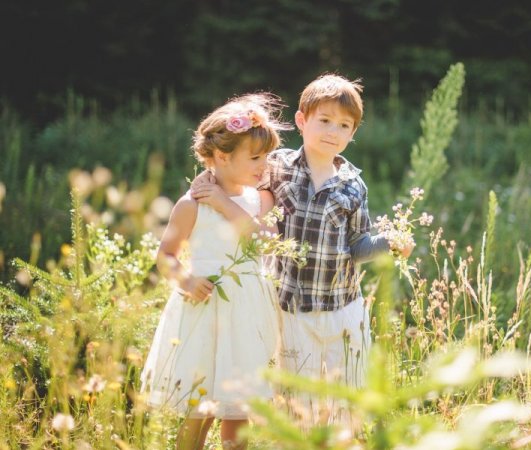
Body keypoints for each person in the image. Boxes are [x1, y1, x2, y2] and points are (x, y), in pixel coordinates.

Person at [191, 74, 413, 427]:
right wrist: (208, 183)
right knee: (299, 402)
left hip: (341, 306)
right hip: (290, 307)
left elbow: (357, 245)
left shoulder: (354, 184)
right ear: (301, 120)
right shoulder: (276, 166)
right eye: (324, 120)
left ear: (353, 133)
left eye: (344, 125)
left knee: (344, 402)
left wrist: (390, 244)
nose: (333, 132)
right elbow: (238, 182)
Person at [140, 93, 290, 450]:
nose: (264, 165)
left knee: (237, 408)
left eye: (266, 157)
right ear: (222, 156)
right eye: (255, 158)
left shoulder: (260, 199)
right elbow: (166, 256)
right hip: (204, 311)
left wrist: (223, 204)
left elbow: (266, 240)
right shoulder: (191, 205)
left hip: (247, 312)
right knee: (200, 404)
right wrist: (186, 280)